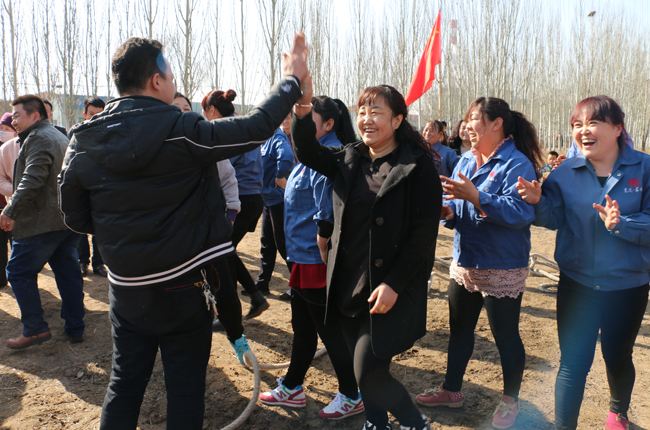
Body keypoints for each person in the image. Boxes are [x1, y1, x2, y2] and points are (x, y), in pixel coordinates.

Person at [58, 35, 309, 430]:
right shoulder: (181, 128)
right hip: (182, 287)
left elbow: (74, 217)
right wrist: (291, 81)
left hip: (125, 288)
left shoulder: (84, 139)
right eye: (171, 74)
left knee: (124, 384)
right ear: (157, 80)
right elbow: (257, 126)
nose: (174, 81)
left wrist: (121, 233)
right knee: (186, 387)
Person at [292, 81, 442, 430]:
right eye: (362, 111)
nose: (367, 118)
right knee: (372, 371)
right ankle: (376, 423)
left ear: (398, 119)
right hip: (347, 284)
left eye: (377, 111)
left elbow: (423, 238)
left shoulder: (417, 167)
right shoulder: (349, 158)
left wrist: (393, 283)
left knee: (367, 371)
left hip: (388, 289)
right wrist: (301, 104)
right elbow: (307, 149)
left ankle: (415, 424)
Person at [516, 96, 650, 430]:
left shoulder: (645, 169)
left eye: (592, 123)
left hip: (627, 285)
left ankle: (618, 414)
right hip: (578, 284)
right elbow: (554, 217)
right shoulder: (564, 174)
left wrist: (622, 224)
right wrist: (537, 202)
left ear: (618, 128)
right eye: (577, 124)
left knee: (617, 356)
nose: (583, 131)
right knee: (573, 363)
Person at [416, 97, 542, 430]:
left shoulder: (517, 164)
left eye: (474, 119)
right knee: (460, 329)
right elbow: (454, 204)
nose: (466, 125)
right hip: (466, 261)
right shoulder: (465, 162)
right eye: (468, 119)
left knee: (506, 336)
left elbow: (520, 213)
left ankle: (510, 401)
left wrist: (477, 197)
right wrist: (448, 212)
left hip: (501, 265)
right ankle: (451, 390)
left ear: (496, 124)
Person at [259, 96, 363, 420]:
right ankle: (292, 387)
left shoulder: (329, 157)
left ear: (329, 124)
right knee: (303, 326)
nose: (298, 125)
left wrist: (322, 252)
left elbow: (327, 212)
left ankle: (351, 394)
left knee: (330, 331)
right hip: (302, 258)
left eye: (308, 118)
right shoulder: (308, 155)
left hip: (316, 261)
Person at [3, 95, 84, 349]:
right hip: (64, 220)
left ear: (35, 116)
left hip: (42, 222)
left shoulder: (38, 138)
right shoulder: (58, 136)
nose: (13, 120)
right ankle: (75, 326)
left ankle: (36, 328)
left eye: (17, 115)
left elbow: (32, 180)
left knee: (17, 271)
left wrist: (10, 210)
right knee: (67, 272)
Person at [199, 89, 270, 323]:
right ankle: (254, 297)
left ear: (211, 110)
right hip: (253, 199)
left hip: (238, 199)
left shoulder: (223, 132)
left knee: (223, 253)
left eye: (203, 111)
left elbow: (224, 171)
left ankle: (238, 308)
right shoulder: (241, 127)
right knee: (227, 252)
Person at [255, 112, 295, 295]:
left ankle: (297, 286)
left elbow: (287, 157)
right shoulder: (265, 137)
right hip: (268, 200)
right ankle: (262, 283)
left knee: (283, 244)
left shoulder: (277, 137)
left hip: (278, 200)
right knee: (267, 243)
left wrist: (279, 176)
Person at [77, 97, 108, 277]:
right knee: (81, 228)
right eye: (91, 114)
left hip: (102, 189)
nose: (95, 117)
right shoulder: (76, 134)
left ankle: (99, 263)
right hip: (81, 188)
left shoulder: (111, 134)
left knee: (99, 228)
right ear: (85, 115)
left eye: (100, 114)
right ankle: (83, 261)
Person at [0, 112, 18, 289]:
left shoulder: (20, 148)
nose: (2, 132)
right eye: (1, 128)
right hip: (1, 205)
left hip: (17, 207)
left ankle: (17, 278)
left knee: (17, 244)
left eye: (6, 128)